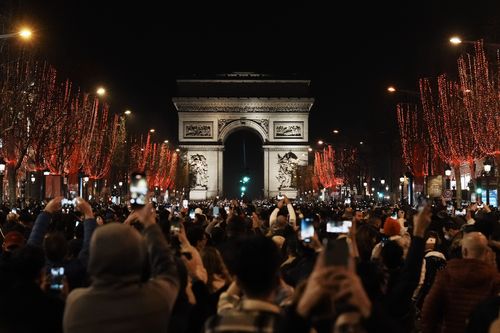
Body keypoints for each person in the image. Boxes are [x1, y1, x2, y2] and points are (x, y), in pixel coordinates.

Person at [63, 203, 179, 333]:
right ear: (140, 259)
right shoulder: (156, 300)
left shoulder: (77, 305)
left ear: (94, 260)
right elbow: (167, 269)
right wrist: (149, 223)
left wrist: (89, 215)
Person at [421, 232, 500, 333]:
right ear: (486, 253)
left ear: (464, 251)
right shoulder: (493, 278)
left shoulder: (447, 274)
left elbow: (429, 310)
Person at [205, 236, 283, 332]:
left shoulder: (215, 325)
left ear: (237, 281)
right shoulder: (288, 326)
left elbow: (226, 301)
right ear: (278, 278)